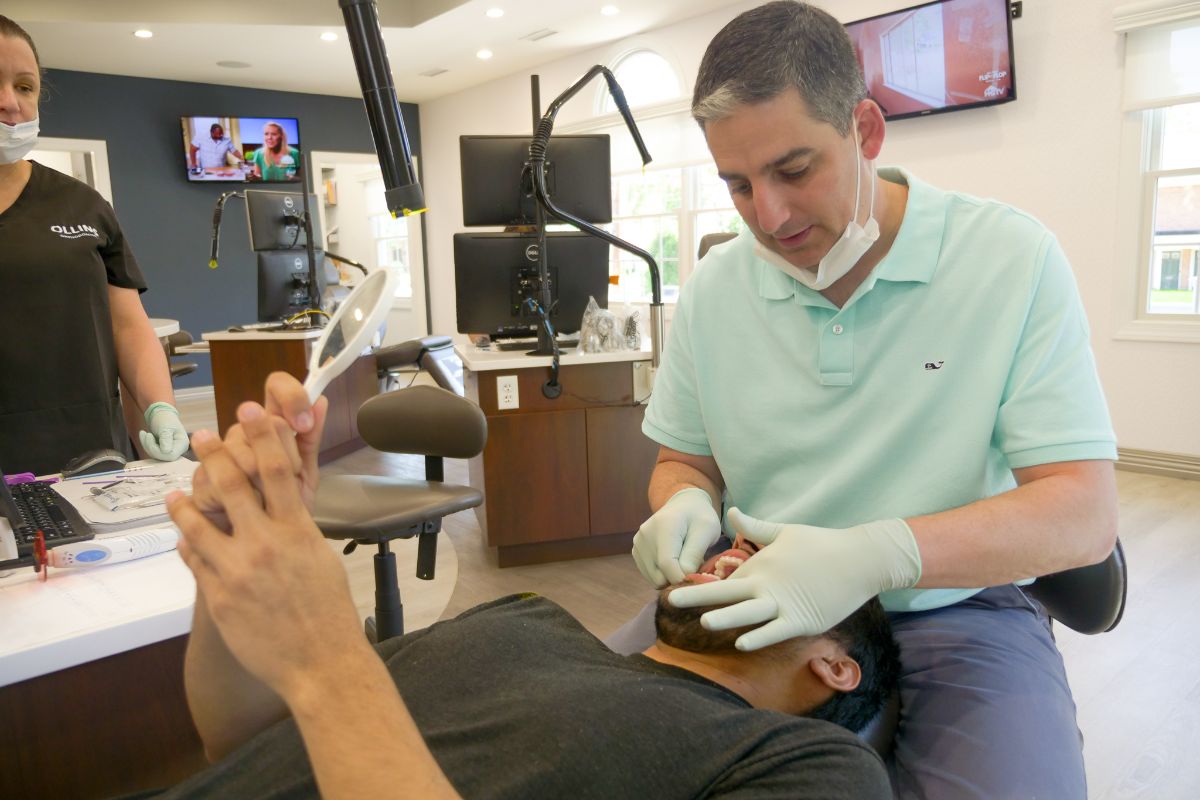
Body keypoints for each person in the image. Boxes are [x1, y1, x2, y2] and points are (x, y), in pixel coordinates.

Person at [612, 3, 1118, 798]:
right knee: (578, 743)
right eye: (738, 185)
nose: (768, 218)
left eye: (792, 169)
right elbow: (685, 461)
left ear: (867, 131)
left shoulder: (1008, 259)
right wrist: (682, 503)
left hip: (953, 608)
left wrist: (878, 554)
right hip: (756, 599)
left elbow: (1083, 515)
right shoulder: (715, 289)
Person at [157, 374, 897, 798]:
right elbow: (245, 746)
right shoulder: (527, 621)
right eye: (741, 540)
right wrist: (223, 561)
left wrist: (326, 661)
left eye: (772, 559)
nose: (737, 545)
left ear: (837, 664)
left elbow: (326, 695)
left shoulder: (808, 767)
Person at [0, 16, 188, 475]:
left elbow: (128, 325)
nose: (10, 104)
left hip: (90, 452)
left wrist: (159, 407)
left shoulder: (81, 204)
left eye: (25, 87)